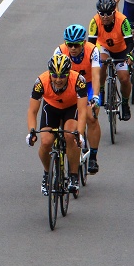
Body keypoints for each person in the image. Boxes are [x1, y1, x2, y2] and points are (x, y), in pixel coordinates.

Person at [26, 54, 88, 196]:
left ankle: (73, 176)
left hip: (71, 108)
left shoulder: (79, 80)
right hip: (51, 108)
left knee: (70, 135)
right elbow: (32, 110)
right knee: (46, 141)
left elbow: (83, 110)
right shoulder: (41, 82)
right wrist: (31, 131)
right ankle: (47, 174)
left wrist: (79, 132)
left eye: (62, 76)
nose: (58, 80)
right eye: (54, 75)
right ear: (49, 73)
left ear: (68, 73)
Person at [55, 24, 101, 175]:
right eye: (70, 44)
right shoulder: (60, 51)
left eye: (76, 45)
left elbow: (95, 75)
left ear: (83, 43)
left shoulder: (92, 50)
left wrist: (95, 96)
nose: (72, 48)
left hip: (87, 86)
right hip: (69, 87)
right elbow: (54, 76)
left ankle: (93, 155)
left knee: (90, 116)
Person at [87, 0, 134, 121]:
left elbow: (130, 42)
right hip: (104, 47)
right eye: (102, 14)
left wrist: (129, 55)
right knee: (101, 63)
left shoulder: (123, 21)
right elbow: (90, 45)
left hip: (121, 50)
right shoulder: (94, 22)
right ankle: (101, 89)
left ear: (114, 12)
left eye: (109, 13)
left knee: (124, 78)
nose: (105, 16)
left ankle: (124, 103)